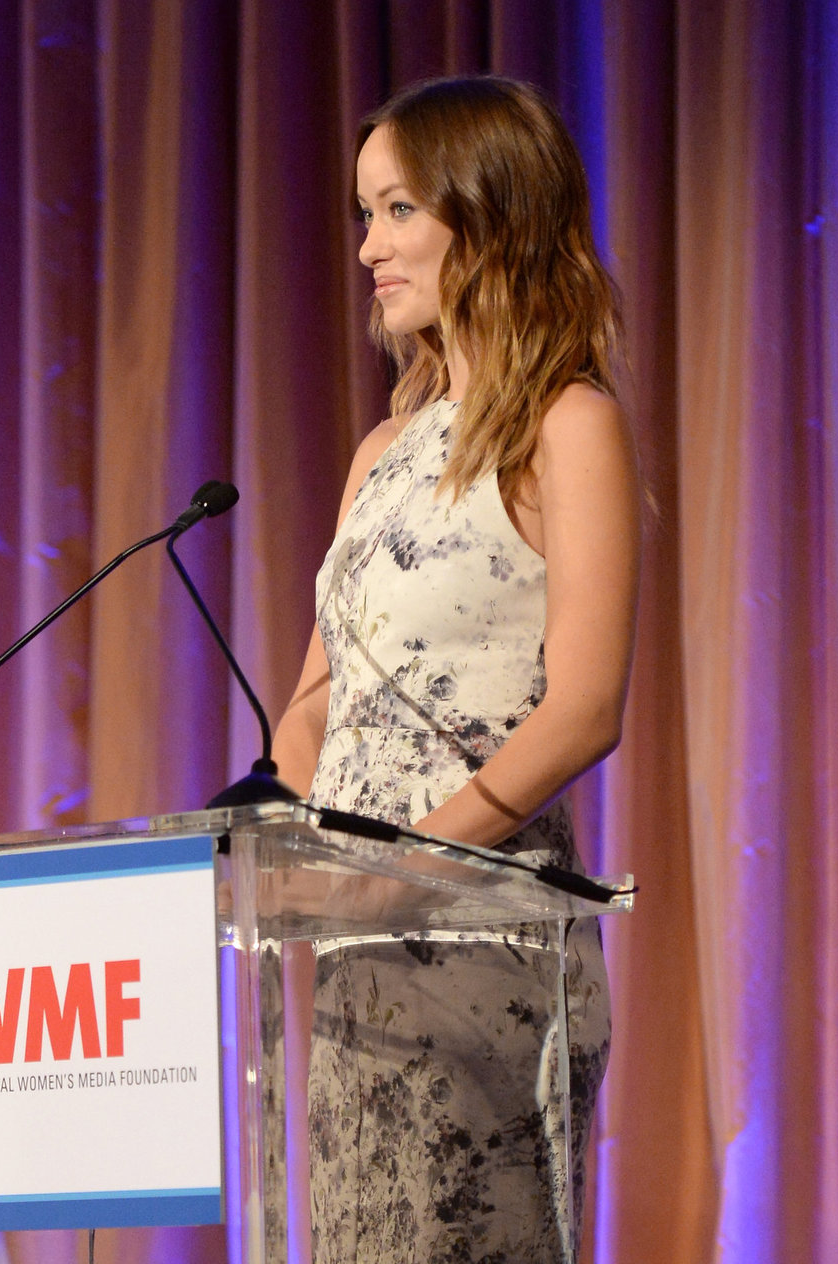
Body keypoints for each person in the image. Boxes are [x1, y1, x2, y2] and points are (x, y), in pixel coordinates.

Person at [271, 75, 641, 1262]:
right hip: (359, 963)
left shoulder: (565, 422)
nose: (369, 247)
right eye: (363, 216)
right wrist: (287, 835)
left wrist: (414, 866)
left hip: (491, 947)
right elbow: (317, 699)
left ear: (486, 214)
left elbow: (584, 706)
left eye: (395, 211)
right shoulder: (382, 448)